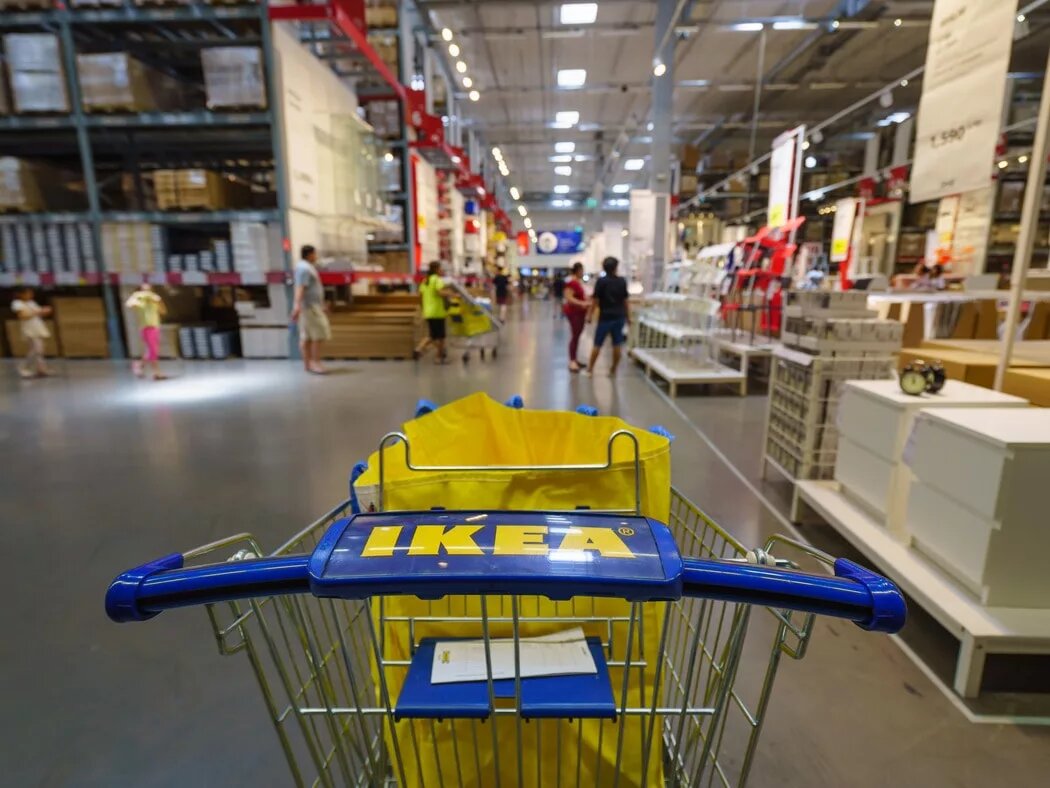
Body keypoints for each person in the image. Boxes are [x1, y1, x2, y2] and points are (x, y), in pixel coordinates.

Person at [584, 256, 630, 377]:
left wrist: (589, 315)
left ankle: (590, 369)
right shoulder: (622, 281)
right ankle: (613, 369)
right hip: (619, 316)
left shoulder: (601, 281)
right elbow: (625, 301)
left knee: (597, 343)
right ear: (616, 267)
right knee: (617, 344)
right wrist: (628, 317)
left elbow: (595, 300)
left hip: (605, 317)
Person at [290, 244, 331, 375]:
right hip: (310, 307)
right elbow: (301, 288)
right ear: (310, 255)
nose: (316, 256)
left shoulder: (305, 267)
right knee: (317, 334)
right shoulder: (305, 269)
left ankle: (307, 364)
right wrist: (296, 305)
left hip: (310, 306)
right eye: (315, 254)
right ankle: (315, 362)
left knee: (307, 336)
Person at [416, 260, 456, 363]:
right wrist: (451, 294)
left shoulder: (425, 281)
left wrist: (423, 307)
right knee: (441, 337)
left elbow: (420, 295)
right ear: (436, 269)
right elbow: (439, 292)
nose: (441, 270)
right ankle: (438, 357)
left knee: (433, 335)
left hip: (428, 311)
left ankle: (420, 349)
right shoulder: (437, 280)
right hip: (437, 312)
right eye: (440, 268)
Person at [125, 283, 167, 380]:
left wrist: (159, 301)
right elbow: (129, 304)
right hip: (145, 327)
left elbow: (163, 311)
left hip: (155, 327)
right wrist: (136, 296)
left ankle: (138, 365)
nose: (146, 291)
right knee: (152, 350)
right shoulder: (139, 301)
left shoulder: (154, 300)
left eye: (148, 289)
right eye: (144, 289)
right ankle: (156, 372)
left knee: (151, 350)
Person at [11, 288, 52, 379]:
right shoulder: (17, 303)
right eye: (28, 293)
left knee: (39, 350)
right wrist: (38, 312)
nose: (30, 295)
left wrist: (45, 311)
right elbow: (23, 316)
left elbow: (39, 313)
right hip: (29, 328)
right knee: (36, 350)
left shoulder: (31, 303)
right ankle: (24, 368)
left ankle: (41, 369)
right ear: (21, 294)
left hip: (37, 326)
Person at [563, 262, 589, 372]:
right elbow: (569, 297)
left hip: (580, 312)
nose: (583, 272)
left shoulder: (578, 282)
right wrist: (582, 303)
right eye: (582, 270)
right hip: (574, 312)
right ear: (578, 270)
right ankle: (572, 361)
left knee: (577, 336)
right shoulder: (572, 283)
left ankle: (574, 358)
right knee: (575, 336)